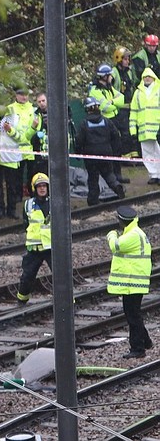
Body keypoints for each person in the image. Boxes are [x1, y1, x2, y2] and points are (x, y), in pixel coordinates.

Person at [106, 206, 152, 359]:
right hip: (133, 282)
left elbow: (116, 245)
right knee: (134, 314)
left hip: (133, 283)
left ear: (121, 221)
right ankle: (146, 341)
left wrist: (111, 235)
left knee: (132, 316)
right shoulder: (135, 232)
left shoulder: (132, 235)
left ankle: (138, 349)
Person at [76, 96, 125, 206]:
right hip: (106, 154)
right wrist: (115, 152)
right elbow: (116, 136)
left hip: (91, 156)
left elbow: (79, 140)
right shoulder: (106, 121)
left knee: (93, 178)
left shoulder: (84, 124)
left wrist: (78, 153)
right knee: (108, 174)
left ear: (87, 109)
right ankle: (117, 186)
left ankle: (93, 200)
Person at [87, 64, 128, 183]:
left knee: (117, 148)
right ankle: (112, 177)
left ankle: (118, 175)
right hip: (104, 122)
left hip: (115, 119)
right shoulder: (95, 91)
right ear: (104, 77)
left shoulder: (109, 88)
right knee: (109, 150)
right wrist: (114, 103)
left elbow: (122, 98)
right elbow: (106, 107)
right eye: (109, 75)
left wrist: (113, 101)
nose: (111, 77)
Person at [16, 173, 51, 304]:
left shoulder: (54, 202)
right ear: (34, 188)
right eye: (39, 186)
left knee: (60, 277)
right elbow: (26, 224)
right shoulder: (28, 205)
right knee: (27, 277)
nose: (42, 189)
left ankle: (68, 301)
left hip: (50, 247)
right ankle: (21, 302)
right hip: (34, 249)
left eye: (44, 186)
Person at [129, 68, 160, 184]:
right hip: (143, 130)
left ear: (153, 78)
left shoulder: (158, 90)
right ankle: (154, 175)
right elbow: (133, 112)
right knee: (147, 153)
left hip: (156, 129)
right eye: (145, 77)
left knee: (158, 151)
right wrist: (133, 130)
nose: (147, 78)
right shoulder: (137, 93)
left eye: (149, 76)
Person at [0, 115, 26, 219]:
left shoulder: (15, 117)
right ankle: (0, 209)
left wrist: (11, 130)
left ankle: (12, 209)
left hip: (11, 157)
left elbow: (21, 137)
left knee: (12, 185)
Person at [6, 88, 38, 198]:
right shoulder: (10, 109)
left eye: (26, 95)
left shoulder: (33, 109)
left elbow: (36, 127)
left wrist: (25, 137)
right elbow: (8, 129)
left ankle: (33, 196)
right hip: (16, 148)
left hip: (30, 148)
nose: (24, 97)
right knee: (16, 176)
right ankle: (17, 197)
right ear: (16, 95)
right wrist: (22, 137)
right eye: (21, 94)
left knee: (31, 174)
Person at [111, 46, 139, 160]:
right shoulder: (114, 72)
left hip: (130, 107)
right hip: (120, 108)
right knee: (125, 133)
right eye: (125, 59)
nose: (128, 61)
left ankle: (134, 156)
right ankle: (125, 157)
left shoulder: (129, 72)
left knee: (132, 131)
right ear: (119, 59)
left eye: (128, 59)